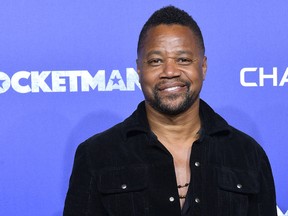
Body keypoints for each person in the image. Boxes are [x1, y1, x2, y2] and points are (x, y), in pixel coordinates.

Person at [63, 6, 277, 216]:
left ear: (203, 67)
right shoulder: (96, 155)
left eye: (183, 60)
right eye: (156, 61)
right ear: (139, 69)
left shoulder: (248, 154)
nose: (170, 71)